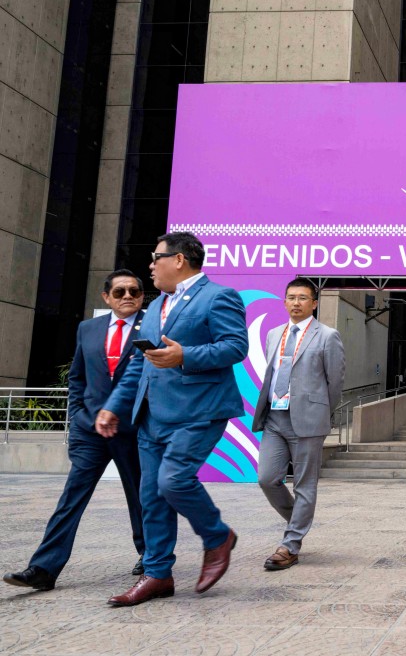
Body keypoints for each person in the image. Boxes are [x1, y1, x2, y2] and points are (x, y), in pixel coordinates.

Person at [96, 232, 248, 607]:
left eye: (155, 258)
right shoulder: (156, 307)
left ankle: (217, 537)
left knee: (173, 481)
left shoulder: (219, 297)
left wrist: (185, 356)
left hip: (200, 410)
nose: (150, 266)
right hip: (151, 415)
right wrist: (114, 404)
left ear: (178, 260)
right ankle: (158, 574)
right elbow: (138, 364)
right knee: (151, 496)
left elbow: (236, 346)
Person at [3, 271, 148, 592]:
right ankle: (43, 567)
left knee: (141, 496)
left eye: (135, 292)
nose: (128, 296)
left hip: (133, 429)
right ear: (106, 297)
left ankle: (149, 557)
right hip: (90, 431)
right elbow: (77, 378)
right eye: (120, 291)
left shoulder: (151, 326)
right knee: (71, 497)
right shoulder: (89, 329)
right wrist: (79, 419)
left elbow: (148, 377)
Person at [252, 277, 345, 571]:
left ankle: (290, 545)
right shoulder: (273, 334)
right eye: (291, 297)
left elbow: (335, 383)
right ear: (284, 301)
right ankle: (298, 521)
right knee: (267, 478)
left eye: (303, 298)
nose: (296, 303)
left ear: (314, 304)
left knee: (305, 485)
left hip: (307, 420)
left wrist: (320, 413)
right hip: (275, 418)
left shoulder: (328, 336)